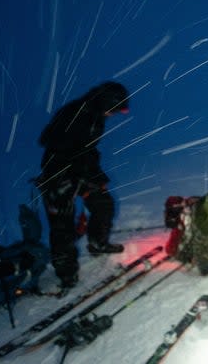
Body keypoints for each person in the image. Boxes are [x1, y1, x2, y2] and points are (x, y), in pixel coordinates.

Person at [36, 81, 130, 289]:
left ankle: (98, 244)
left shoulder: (95, 115)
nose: (112, 115)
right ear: (107, 102)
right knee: (62, 226)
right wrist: (70, 165)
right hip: (58, 176)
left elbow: (88, 151)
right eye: (114, 110)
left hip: (79, 173)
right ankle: (66, 274)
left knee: (103, 204)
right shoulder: (75, 113)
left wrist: (97, 178)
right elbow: (48, 140)